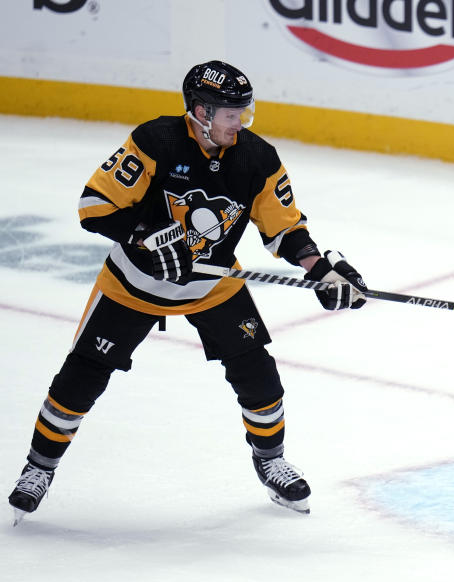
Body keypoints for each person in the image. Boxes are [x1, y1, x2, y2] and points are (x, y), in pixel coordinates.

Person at [8, 60, 367, 521]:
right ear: (200, 111)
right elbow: (94, 206)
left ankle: (271, 461)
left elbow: (285, 228)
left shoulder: (257, 158)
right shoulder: (155, 142)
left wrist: (321, 268)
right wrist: (145, 234)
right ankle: (38, 468)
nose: (240, 123)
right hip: (132, 285)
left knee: (259, 378)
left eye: (244, 112)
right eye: (230, 114)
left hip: (212, 286)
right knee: (80, 379)